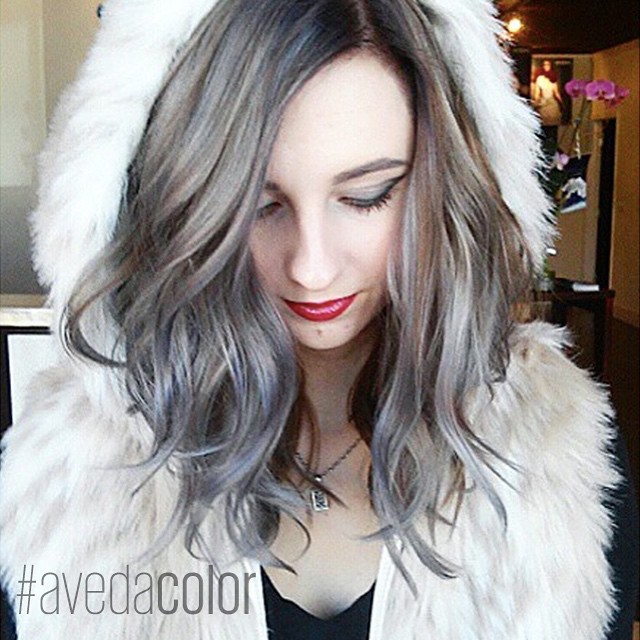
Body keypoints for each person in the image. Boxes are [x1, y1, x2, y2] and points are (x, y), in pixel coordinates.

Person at [1, 0, 637, 638]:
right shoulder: (65, 480)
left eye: (366, 197)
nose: (311, 267)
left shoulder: (559, 462)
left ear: (441, 187)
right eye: (257, 205)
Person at [531, 59, 564, 126]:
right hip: (543, 103)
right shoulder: (540, 79)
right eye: (544, 65)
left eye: (548, 64)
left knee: (553, 120)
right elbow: (537, 93)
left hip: (552, 103)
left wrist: (562, 103)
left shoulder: (553, 79)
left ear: (551, 66)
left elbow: (556, 93)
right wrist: (537, 102)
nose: (546, 66)